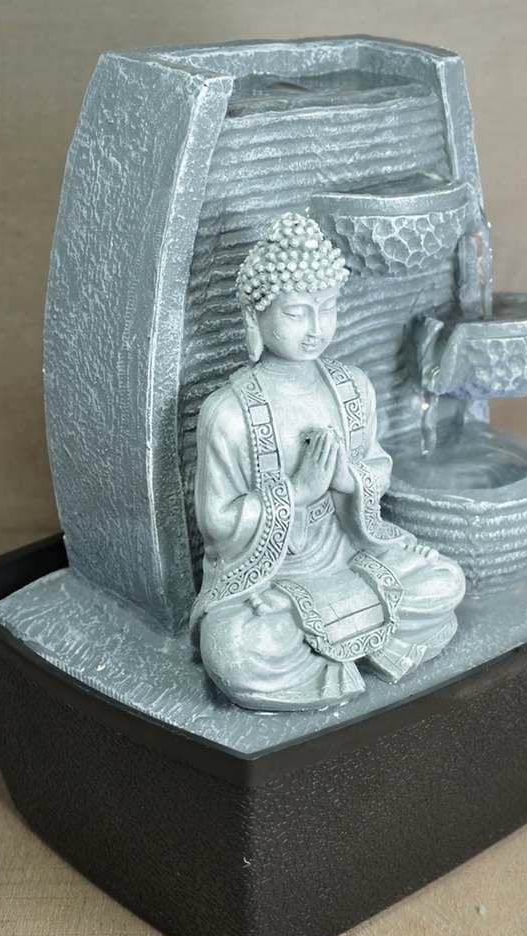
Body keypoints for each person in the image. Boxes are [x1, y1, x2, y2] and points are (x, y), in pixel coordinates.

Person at [191, 213, 465, 711]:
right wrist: (295, 493)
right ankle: (335, 661)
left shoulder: (351, 387)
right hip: (269, 578)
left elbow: (376, 467)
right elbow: (218, 521)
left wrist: (346, 479)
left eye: (328, 308)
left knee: (445, 579)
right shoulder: (227, 413)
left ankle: (343, 650)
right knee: (233, 650)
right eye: (297, 313)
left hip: (347, 553)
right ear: (255, 317)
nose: (316, 329)